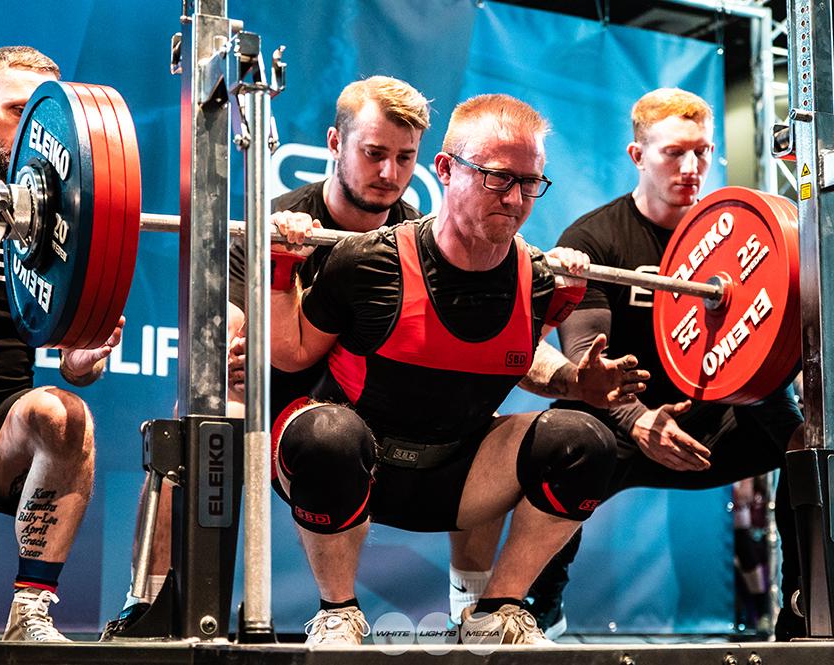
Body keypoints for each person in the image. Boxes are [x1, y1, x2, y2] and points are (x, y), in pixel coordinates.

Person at [269, 93, 649, 646]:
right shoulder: (368, 262)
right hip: (350, 467)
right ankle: (338, 613)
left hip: (457, 479)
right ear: (446, 170)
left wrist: (574, 381)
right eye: (498, 178)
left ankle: (497, 611)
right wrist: (282, 270)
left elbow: (513, 358)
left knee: (585, 440)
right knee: (324, 431)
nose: (517, 198)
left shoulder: (539, 279)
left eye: (530, 182)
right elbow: (292, 354)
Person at [101, 75, 443, 636]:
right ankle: (161, 603)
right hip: (283, 401)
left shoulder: (421, 237)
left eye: (406, 159)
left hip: (373, 404)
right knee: (211, 411)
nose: (390, 174)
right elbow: (235, 342)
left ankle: (472, 608)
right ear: (335, 142)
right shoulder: (268, 224)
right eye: (374, 154)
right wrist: (250, 346)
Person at [527, 87, 804, 640]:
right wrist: (637, 420)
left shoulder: (735, 229)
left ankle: (803, 611)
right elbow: (588, 357)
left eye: (701, 151)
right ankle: (540, 605)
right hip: (623, 422)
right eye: (673, 152)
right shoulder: (593, 239)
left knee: (812, 449)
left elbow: (767, 345)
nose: (691, 167)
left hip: (716, 417)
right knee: (560, 438)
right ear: (637, 156)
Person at [0, 46, 123, 642]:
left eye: (43, 118)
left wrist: (81, 359)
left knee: (63, 414)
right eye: (18, 111)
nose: (32, 132)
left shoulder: (53, 220)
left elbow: (72, 362)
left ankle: (32, 610)